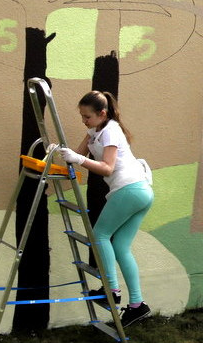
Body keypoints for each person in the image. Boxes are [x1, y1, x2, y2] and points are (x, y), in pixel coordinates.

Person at [55, 91, 154, 327]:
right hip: (141, 191)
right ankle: (137, 305)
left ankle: (111, 293)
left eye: (87, 117)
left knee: (100, 235)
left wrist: (77, 159)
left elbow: (107, 168)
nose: (84, 121)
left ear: (102, 114)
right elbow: (78, 155)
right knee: (120, 246)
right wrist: (60, 152)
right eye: (81, 116)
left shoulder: (110, 130)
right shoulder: (97, 130)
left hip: (128, 189)